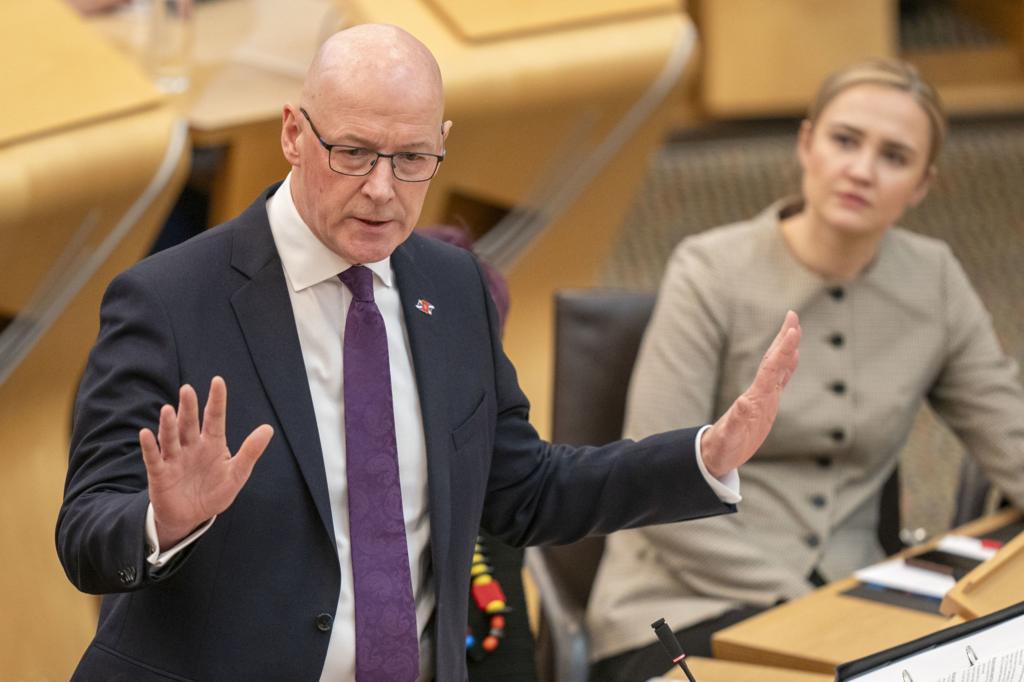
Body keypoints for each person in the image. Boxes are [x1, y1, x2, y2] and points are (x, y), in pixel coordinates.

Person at [56, 24, 800, 682]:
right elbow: (86, 534)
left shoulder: (452, 287)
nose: (384, 190)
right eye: (352, 153)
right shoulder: (168, 298)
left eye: (413, 157)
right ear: (293, 133)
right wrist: (164, 523)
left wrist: (705, 454)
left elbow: (523, 490)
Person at [586, 57, 1024, 681]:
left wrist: (831, 612)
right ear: (806, 144)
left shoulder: (936, 280)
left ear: (922, 186)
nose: (861, 170)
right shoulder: (708, 269)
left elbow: (1011, 439)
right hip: (685, 604)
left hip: (858, 607)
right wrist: (800, 605)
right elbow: (656, 486)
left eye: (893, 157)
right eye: (845, 141)